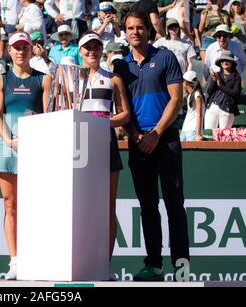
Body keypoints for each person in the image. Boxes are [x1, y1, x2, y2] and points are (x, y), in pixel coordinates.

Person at [113, 11, 190, 281]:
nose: (135, 32)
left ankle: (182, 268)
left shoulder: (165, 57)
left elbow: (176, 99)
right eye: (130, 28)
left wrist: (156, 133)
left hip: (165, 140)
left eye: (140, 27)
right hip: (138, 143)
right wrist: (135, 136)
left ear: (148, 29)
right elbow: (122, 110)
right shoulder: (121, 66)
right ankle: (154, 265)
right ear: (125, 33)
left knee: (174, 204)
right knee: (148, 206)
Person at [0, 31, 52, 280]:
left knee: (35, 206)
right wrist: (9, 140)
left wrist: (33, 139)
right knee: (10, 205)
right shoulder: (0, 80)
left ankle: (35, 257)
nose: (20, 51)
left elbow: (49, 114)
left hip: (36, 148)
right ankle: (15, 260)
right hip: (7, 147)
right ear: (9, 51)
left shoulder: (44, 79)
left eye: (24, 47)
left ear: (31, 49)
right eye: (16, 47)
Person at [78, 32, 130, 281]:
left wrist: (103, 123)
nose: (92, 52)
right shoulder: (71, 79)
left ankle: (104, 265)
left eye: (96, 47)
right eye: (87, 48)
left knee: (108, 207)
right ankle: (79, 262)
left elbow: (124, 115)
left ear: (102, 51)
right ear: (80, 51)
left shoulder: (113, 79)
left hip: (106, 144)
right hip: (77, 148)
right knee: (80, 206)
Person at [204, 50, 241, 129]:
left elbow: (236, 93)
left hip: (227, 109)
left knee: (224, 138)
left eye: (228, 60)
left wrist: (221, 86)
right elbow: (209, 91)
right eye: (223, 60)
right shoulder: (216, 74)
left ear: (232, 63)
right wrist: (213, 80)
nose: (225, 62)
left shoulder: (236, 77)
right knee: (208, 134)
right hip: (212, 107)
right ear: (220, 63)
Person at [180, 70, 205, 141]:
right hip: (185, 130)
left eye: (183, 81)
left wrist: (198, 134)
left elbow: (199, 114)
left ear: (186, 82)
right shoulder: (190, 96)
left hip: (193, 131)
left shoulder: (197, 95)